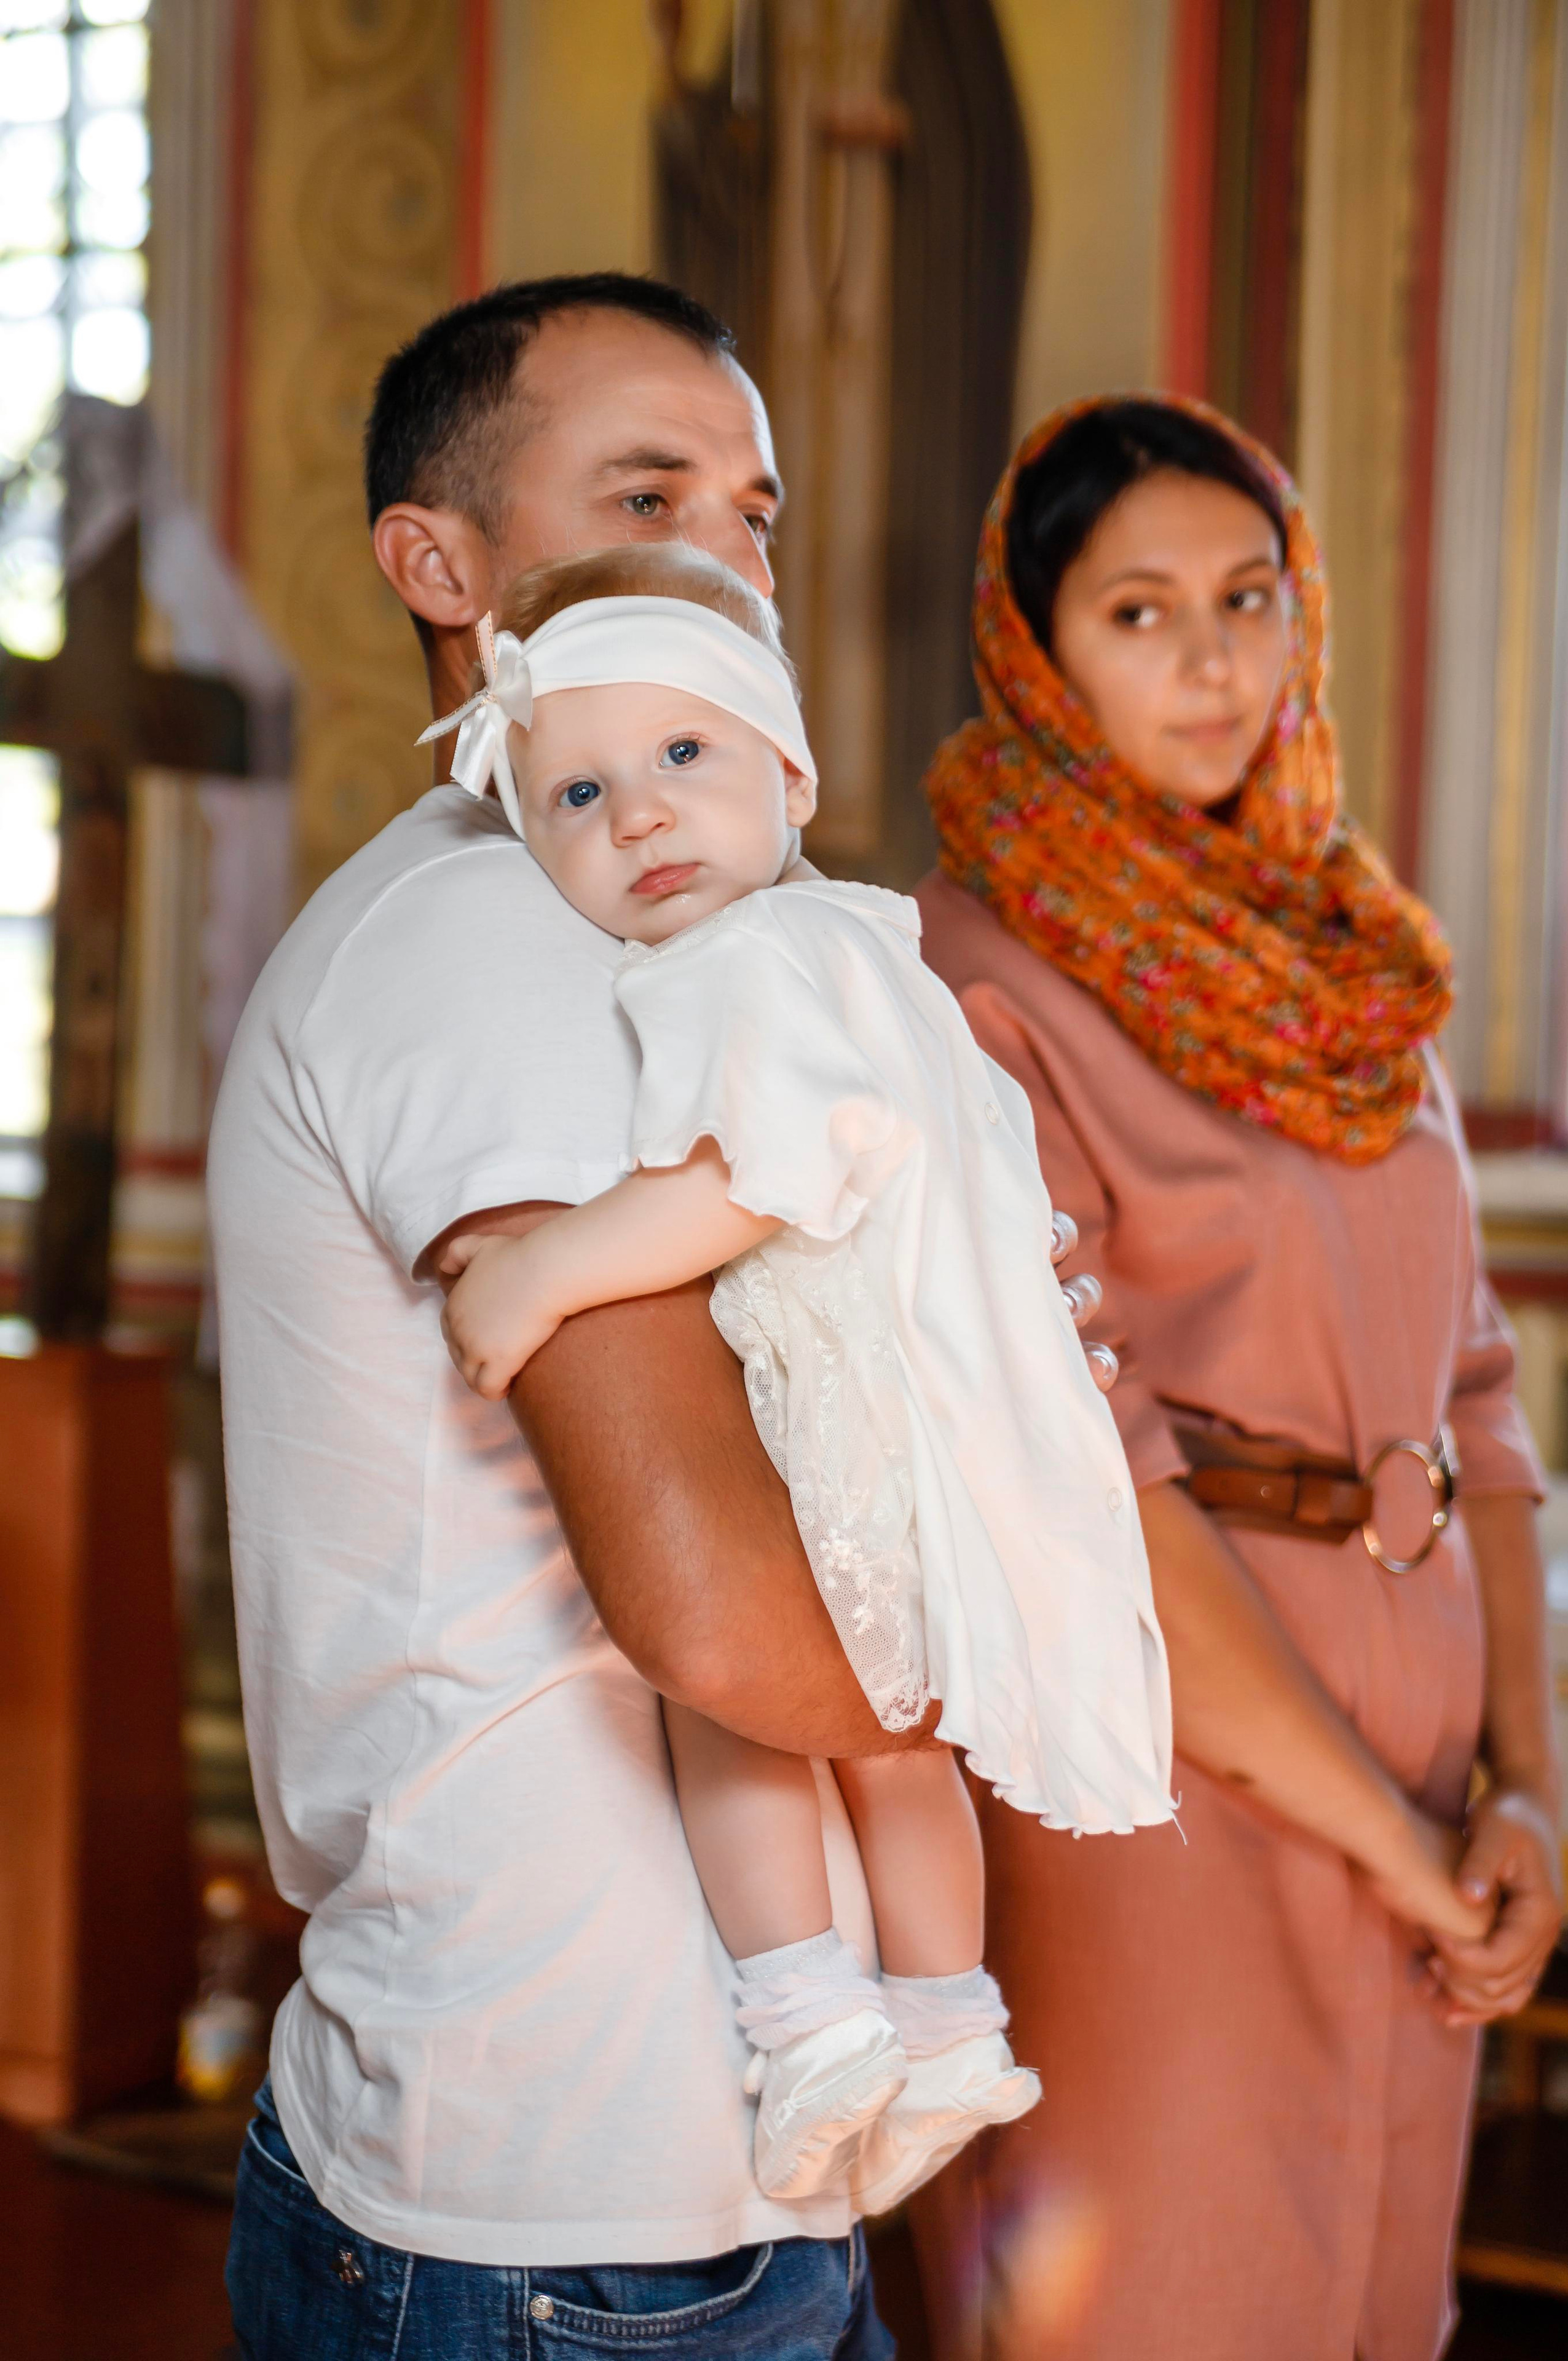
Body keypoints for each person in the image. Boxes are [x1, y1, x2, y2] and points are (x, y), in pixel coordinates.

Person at [909, 395, 1564, 2361]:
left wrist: (1527, 1790)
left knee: (1376, 2302)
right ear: (1037, 650)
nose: (1214, 661)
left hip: (1435, 1779)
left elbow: (1477, 1397)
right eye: (1139, 613)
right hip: (1163, 1781)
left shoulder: (1357, 965)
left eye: (1250, 597)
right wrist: (1407, 1848)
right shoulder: (977, 980)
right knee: (1173, 2307)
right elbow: (1089, 1489)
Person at [429, 540, 1175, 2207]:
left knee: (733, 1704)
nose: (634, 816)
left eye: (684, 758)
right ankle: (948, 2022)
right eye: (571, 795)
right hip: (922, 1407)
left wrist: (548, 1265)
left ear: (791, 770)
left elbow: (757, 1176)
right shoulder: (865, 944)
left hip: (846, 1407)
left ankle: (810, 2013)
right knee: (894, 1744)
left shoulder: (747, 960)